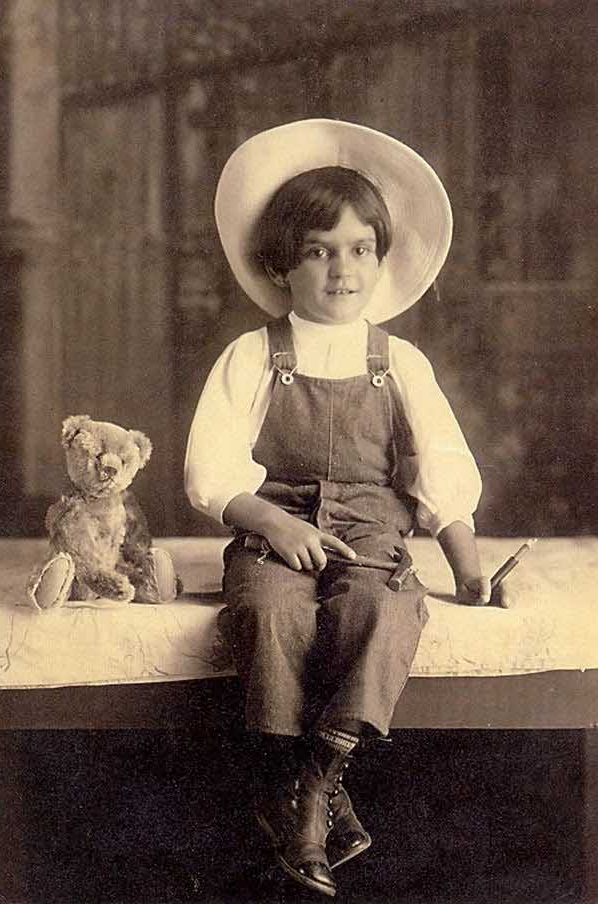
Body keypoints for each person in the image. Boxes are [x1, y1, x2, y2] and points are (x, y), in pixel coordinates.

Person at [185, 119, 505, 898]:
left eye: (360, 249)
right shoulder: (253, 355)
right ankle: (304, 789)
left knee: (382, 606)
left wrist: (467, 568)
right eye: (319, 251)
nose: (342, 269)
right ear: (281, 264)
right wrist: (271, 521)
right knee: (267, 610)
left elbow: (440, 464)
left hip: (370, 530)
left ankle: (313, 782)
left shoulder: (399, 361)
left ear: (381, 258)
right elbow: (209, 468)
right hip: (275, 525)